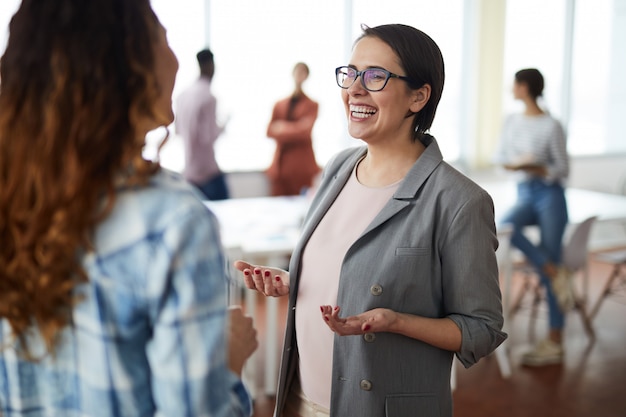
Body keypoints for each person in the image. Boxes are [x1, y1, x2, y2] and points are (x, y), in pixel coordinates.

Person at [235, 24, 506, 417]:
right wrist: (297, 284)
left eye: (376, 76)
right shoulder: (339, 168)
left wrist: (395, 321)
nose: (355, 89)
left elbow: (481, 328)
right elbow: (353, 273)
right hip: (297, 398)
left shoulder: (458, 200)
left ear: (419, 96)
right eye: (351, 73)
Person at [0, 1, 257, 416]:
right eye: (163, 38)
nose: (174, 57)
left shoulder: (13, 197)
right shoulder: (174, 222)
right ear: (124, 65)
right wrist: (227, 363)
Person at [494, 68, 570, 367]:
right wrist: (514, 166)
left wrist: (538, 168)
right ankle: (549, 267)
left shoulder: (552, 125)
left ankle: (555, 340)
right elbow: (500, 160)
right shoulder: (511, 121)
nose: (511, 88)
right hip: (524, 192)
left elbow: (562, 169)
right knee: (504, 226)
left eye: (514, 84)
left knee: (553, 254)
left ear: (524, 87)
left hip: (550, 193)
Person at [175, 47, 230, 200]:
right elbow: (209, 136)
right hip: (207, 173)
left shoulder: (182, 96)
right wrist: (224, 125)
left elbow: (178, 131)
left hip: (189, 172)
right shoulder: (208, 97)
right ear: (210, 66)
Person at [266, 62, 320, 196]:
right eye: (297, 72)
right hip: (280, 168)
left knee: (302, 208)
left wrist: (282, 128)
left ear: (307, 76)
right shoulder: (279, 104)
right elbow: (269, 131)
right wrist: (296, 128)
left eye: (303, 72)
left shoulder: (312, 105)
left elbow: (304, 132)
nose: (299, 76)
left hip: (301, 167)